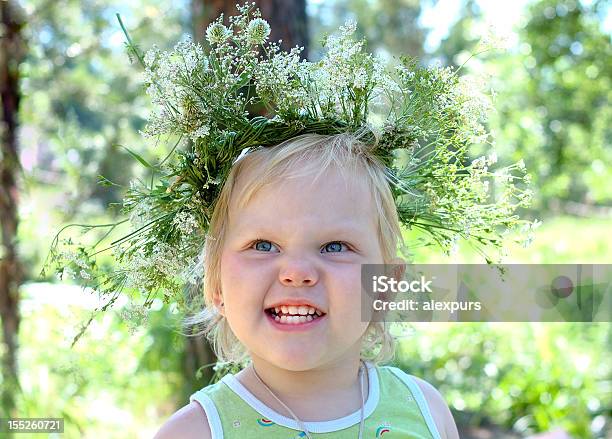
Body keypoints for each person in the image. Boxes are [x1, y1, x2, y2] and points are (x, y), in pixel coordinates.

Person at [153, 133, 460, 438]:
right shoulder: (195, 432)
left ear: (384, 286)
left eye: (335, 247)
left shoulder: (425, 412)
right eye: (263, 245)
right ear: (217, 282)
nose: (296, 272)